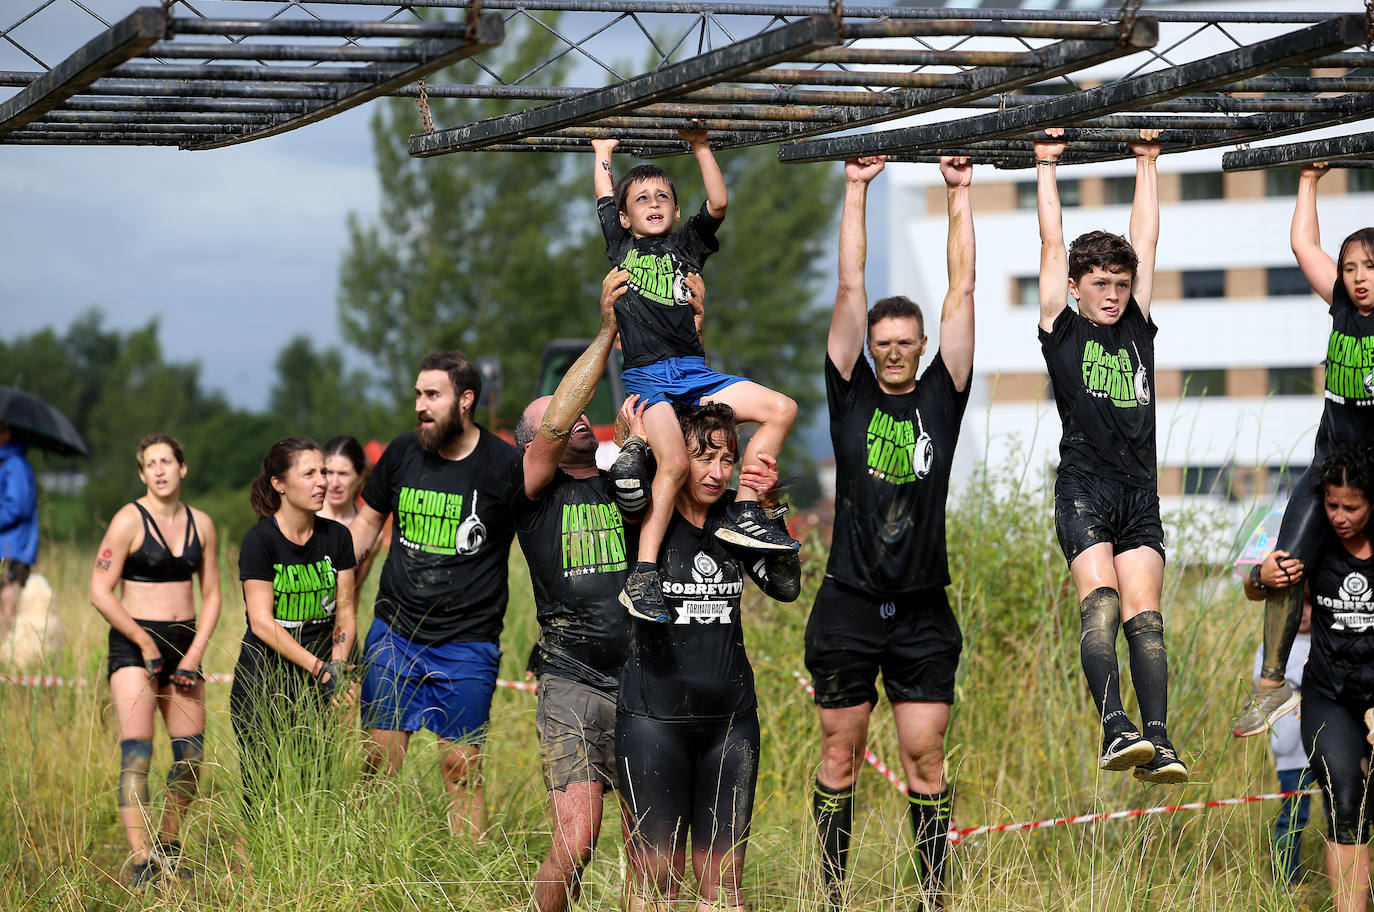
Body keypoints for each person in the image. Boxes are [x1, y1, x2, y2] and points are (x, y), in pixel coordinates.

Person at [806, 154, 975, 912]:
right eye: (886, 340)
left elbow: (962, 292)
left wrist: (960, 193)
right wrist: (855, 190)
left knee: (925, 758)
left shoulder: (944, 396)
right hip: (846, 605)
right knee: (839, 757)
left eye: (908, 339)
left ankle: (935, 896)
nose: (898, 348)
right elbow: (849, 287)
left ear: (921, 347)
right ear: (872, 347)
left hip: (921, 611)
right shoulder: (848, 398)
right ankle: (832, 895)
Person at [592, 132, 799, 625]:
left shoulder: (687, 247)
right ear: (625, 217)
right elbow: (603, 195)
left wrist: (701, 145)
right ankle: (643, 574)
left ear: (678, 210)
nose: (654, 203)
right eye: (642, 199)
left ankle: (747, 511)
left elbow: (720, 201)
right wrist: (603, 154)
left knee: (782, 408)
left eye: (663, 196)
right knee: (676, 463)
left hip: (695, 373)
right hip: (649, 380)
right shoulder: (621, 247)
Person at [1033, 127, 1186, 785]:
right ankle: (1112, 725)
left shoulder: (1135, 328)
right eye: (1100, 283)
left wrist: (1146, 163)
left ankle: (1157, 739)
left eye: (1121, 284)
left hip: (1138, 494)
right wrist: (1046, 166)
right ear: (1075, 286)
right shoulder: (1062, 329)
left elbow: (1146, 241)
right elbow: (1048, 243)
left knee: (1144, 620)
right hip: (1084, 489)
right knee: (1099, 603)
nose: (1114, 293)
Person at [513, 268, 661, 912]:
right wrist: (606, 329)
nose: (577, 423)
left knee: (649, 850)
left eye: (579, 416)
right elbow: (554, 426)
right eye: (560, 418)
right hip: (571, 677)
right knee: (578, 841)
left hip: (640, 676)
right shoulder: (531, 493)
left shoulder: (617, 481)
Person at [617, 402, 800, 912]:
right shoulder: (644, 517)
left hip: (730, 726)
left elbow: (785, 587)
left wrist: (766, 509)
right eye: (703, 457)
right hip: (653, 723)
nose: (717, 472)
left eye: (727, 459)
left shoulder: (733, 522)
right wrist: (638, 437)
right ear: (677, 458)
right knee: (657, 883)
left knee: (725, 889)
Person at [348, 352, 521, 836]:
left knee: (461, 768)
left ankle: (468, 881)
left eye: (432, 396)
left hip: (467, 642)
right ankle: (361, 863)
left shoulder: (503, 465)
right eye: (417, 395)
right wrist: (337, 591)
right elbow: (365, 526)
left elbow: (537, 543)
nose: (420, 406)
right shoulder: (402, 453)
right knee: (377, 764)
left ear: (465, 400)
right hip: (394, 635)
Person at [1234, 164, 1374, 737]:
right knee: (1284, 563)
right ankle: (1272, 684)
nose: (1360, 278)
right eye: (1351, 268)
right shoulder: (1342, 307)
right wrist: (1310, 176)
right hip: (1327, 468)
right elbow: (1301, 243)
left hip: (1373, 482)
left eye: (1370, 267)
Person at [88, 433, 220, 887]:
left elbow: (214, 593)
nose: (160, 470)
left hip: (186, 644)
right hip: (133, 645)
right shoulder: (128, 520)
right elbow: (99, 591)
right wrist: (143, 643)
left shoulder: (202, 524)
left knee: (192, 756)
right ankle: (142, 859)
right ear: (142, 473)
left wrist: (196, 650)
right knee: (138, 754)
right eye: (151, 464)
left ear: (182, 468)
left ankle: (167, 842)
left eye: (168, 461)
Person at [230, 437, 356, 811]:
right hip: (263, 680)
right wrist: (320, 669)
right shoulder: (260, 541)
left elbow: (345, 611)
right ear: (279, 484)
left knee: (317, 789)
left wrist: (337, 665)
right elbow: (262, 623)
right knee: (262, 793)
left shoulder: (338, 537)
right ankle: (255, 867)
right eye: (310, 474)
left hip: (319, 679)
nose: (323, 482)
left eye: (325, 472)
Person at [1273, 445, 1374, 912]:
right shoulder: (1317, 540)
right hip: (1329, 695)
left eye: (1350, 506)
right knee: (1346, 799)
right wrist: (1261, 575)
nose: (1338, 516)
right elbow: (1259, 589)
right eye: (1331, 504)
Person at [1243, 584, 1316, 888]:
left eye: (1308, 605)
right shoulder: (1273, 645)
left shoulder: (1327, 640)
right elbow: (1266, 688)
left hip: (1328, 746)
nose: (1302, 613)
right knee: (1293, 815)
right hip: (1290, 745)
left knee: (1338, 814)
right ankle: (1287, 877)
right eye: (1296, 606)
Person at [318, 435, 378, 605]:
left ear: (360, 477)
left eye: (343, 474)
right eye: (328, 472)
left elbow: (355, 593)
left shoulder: (372, 533)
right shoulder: (302, 519)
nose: (335, 483)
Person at [0, 422, 38, 645]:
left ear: (7, 434)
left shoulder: (15, 464)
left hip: (14, 548)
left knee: (8, 606)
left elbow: (18, 507)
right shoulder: (5, 463)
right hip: (7, 546)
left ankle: (7, 659)